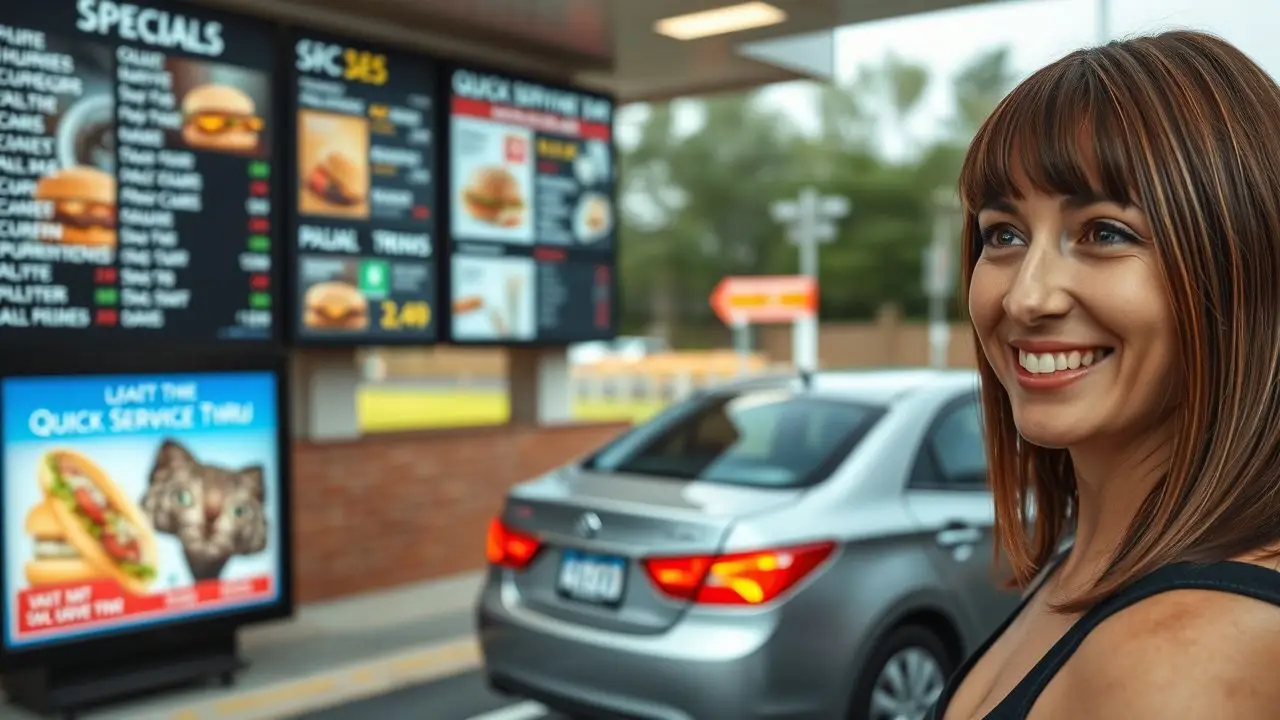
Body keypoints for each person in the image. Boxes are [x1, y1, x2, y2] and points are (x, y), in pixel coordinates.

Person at [931, 30, 1280, 719]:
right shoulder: (1096, 567)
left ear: (1243, 267)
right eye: (1004, 234)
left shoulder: (1183, 656)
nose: (1027, 296)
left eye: (1105, 233)